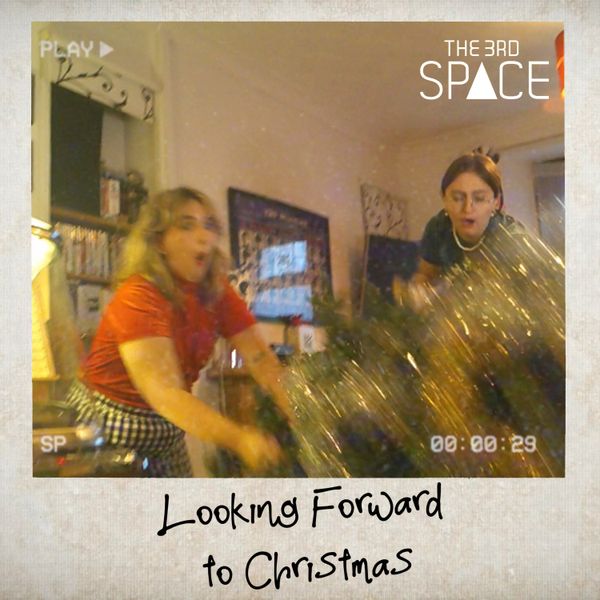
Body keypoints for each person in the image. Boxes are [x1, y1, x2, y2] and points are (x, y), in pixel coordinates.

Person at [66, 187, 293, 477]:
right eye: (186, 225)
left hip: (166, 427)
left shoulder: (218, 293)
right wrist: (240, 440)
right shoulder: (138, 296)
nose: (204, 236)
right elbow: (165, 393)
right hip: (107, 424)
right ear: (159, 241)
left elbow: (260, 357)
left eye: (208, 225)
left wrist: (296, 411)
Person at [394, 149, 525, 309]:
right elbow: (425, 274)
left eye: (479, 198)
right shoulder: (438, 228)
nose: (467, 208)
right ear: (444, 199)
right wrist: (418, 292)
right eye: (457, 198)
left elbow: (511, 295)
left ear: (496, 202)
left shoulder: (512, 237)